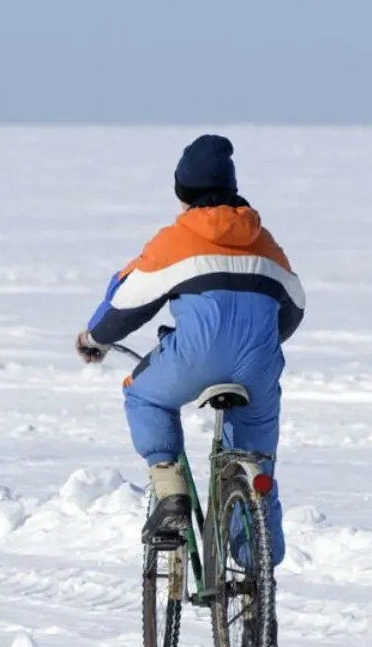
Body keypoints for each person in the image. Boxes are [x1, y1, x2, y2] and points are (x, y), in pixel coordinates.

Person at [75, 135, 303, 560]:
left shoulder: (175, 239)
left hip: (193, 358)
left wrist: (95, 339)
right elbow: (294, 306)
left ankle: (170, 490)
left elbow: (127, 303)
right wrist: (258, 343)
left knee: (142, 394)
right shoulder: (265, 241)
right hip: (258, 365)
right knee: (255, 454)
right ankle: (257, 575)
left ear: (182, 193)